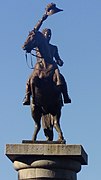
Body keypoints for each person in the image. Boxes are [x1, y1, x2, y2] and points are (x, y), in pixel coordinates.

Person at [22, 14, 71, 105]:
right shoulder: (38, 46)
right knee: (31, 79)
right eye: (46, 34)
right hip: (39, 66)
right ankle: (27, 96)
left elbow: (58, 58)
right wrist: (44, 17)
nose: (48, 36)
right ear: (43, 35)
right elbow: (34, 31)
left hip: (52, 66)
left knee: (60, 77)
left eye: (49, 35)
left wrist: (60, 61)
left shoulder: (54, 47)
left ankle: (66, 96)